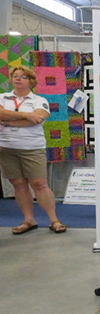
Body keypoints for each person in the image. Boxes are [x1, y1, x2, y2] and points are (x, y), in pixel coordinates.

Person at [0, 66, 67, 234]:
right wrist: (26, 115)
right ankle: (29, 220)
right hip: (6, 147)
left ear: (31, 81)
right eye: (15, 76)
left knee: (39, 184)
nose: (18, 79)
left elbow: (36, 120)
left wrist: (7, 121)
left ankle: (54, 220)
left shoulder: (39, 100)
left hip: (32, 147)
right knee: (18, 183)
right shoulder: (3, 97)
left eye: (23, 77)